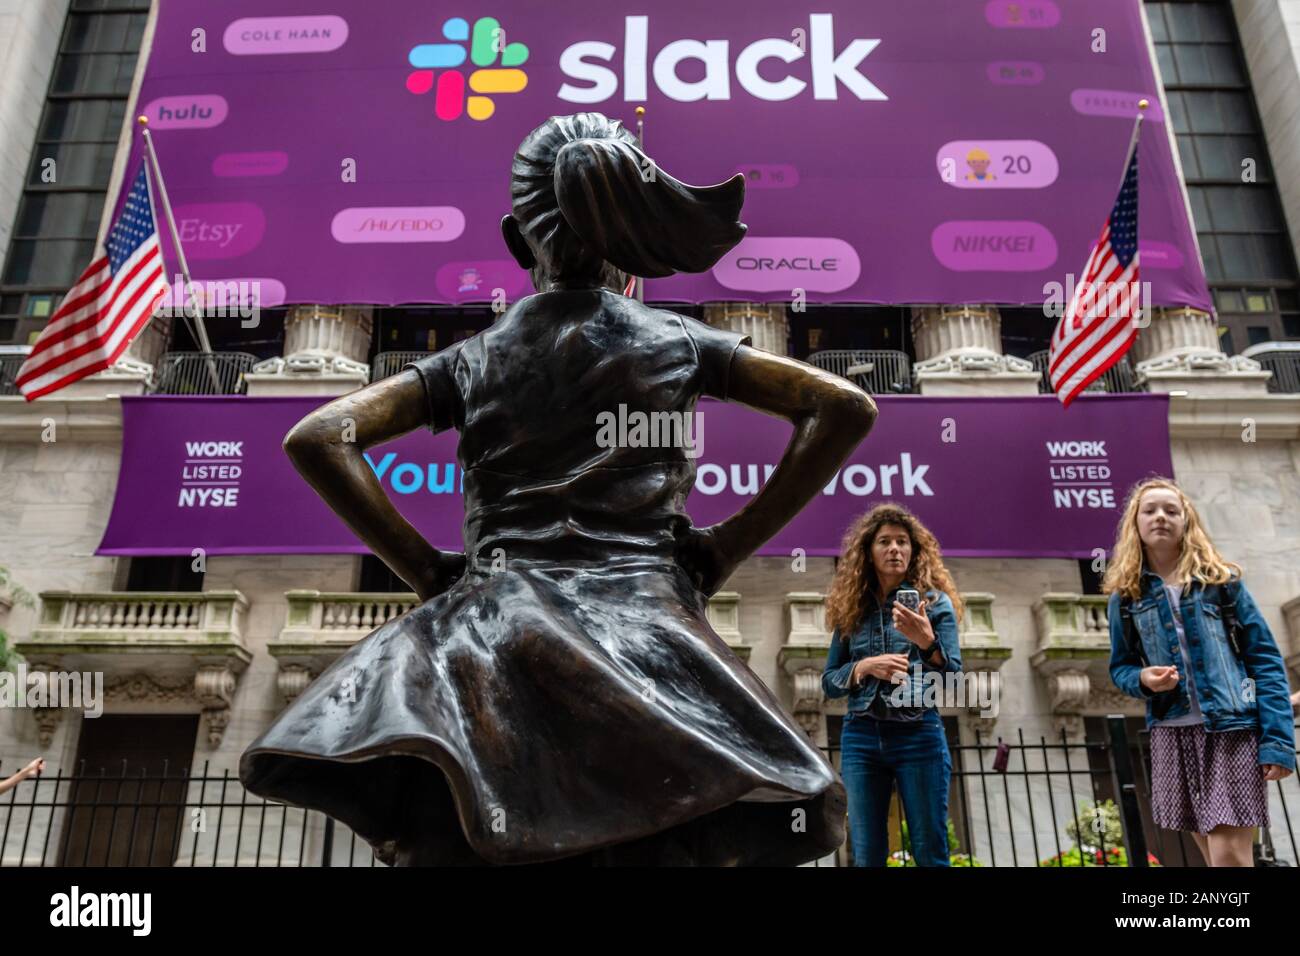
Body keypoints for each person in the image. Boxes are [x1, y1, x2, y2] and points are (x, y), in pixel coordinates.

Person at [240, 112, 878, 866]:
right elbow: (842, 406)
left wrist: (429, 571)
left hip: (490, 629)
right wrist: (723, 548)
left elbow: (318, 438)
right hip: (647, 629)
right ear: (628, 244)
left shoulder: (474, 357)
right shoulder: (678, 341)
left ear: (518, 241)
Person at [1105, 477, 1296, 867]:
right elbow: (1121, 667)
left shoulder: (1222, 584)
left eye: (1171, 510)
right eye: (1150, 510)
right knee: (1214, 857)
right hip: (1172, 734)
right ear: (1136, 524)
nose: (1161, 517)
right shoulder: (1125, 598)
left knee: (1228, 855)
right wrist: (1143, 679)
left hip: (1232, 730)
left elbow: (1265, 661)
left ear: (1186, 521)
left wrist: (1277, 740)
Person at [821, 503, 963, 866]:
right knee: (867, 853)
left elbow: (954, 680)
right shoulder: (852, 607)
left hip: (919, 734)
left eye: (902, 541)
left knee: (930, 850)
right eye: (884, 541)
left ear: (914, 550)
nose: (895, 549)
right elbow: (830, 682)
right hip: (862, 736)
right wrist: (864, 667)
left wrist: (927, 643)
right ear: (869, 551)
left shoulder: (934, 604)